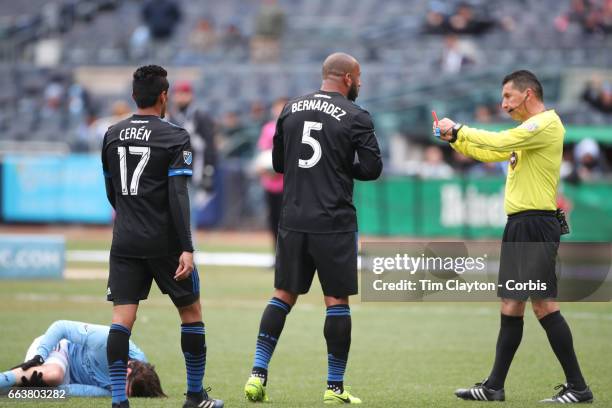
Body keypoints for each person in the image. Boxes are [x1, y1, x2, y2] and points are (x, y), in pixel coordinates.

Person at [436, 70, 593, 403]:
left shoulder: (546, 124)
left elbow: (500, 142)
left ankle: (578, 387)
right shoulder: (527, 133)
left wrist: (460, 128)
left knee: (543, 305)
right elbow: (493, 153)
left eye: (508, 96)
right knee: (512, 304)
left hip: (535, 225)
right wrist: (456, 140)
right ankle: (494, 386)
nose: (503, 103)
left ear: (528, 94)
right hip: (522, 225)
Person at [243, 52, 382, 404]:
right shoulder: (356, 116)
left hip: (293, 219)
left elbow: (277, 163)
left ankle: (257, 374)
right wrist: (339, 162)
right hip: (333, 221)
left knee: (282, 296)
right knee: (336, 301)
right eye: (359, 77)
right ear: (348, 78)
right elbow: (371, 169)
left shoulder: (290, 108)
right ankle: (334, 388)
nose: (361, 83)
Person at [101, 65, 223, 408]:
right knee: (191, 312)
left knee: (122, 320)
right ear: (164, 96)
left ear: (133, 97)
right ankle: (196, 396)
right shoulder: (174, 135)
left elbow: (112, 191)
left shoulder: (112, 133)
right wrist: (187, 247)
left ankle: (117, 401)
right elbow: (178, 196)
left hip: (124, 239)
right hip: (164, 242)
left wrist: (129, 216)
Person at [0, 320, 164, 398]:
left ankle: (9, 388)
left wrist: (37, 393)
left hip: (67, 380)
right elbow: (61, 327)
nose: (118, 392)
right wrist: (40, 356)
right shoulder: (108, 341)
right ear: (127, 371)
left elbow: (72, 391)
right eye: (123, 389)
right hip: (59, 350)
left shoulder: (117, 390)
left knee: (54, 383)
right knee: (54, 375)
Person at [255, 97, 288, 250]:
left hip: (287, 184)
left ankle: (288, 255)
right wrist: (263, 168)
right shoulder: (268, 128)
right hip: (270, 183)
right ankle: (276, 254)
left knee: (287, 222)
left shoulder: (292, 127)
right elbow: (263, 153)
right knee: (273, 220)